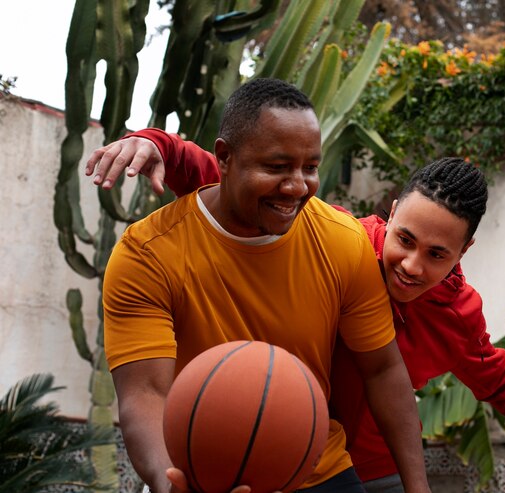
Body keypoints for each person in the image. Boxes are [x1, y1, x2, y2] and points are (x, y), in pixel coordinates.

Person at [89, 126, 505, 493]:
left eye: (436, 254)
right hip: (260, 442)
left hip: (364, 470)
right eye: (405, 239)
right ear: (389, 215)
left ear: (463, 254)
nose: (412, 265)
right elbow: (239, 183)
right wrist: (158, 145)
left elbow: (504, 380)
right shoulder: (339, 242)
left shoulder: (456, 314)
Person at [97, 78, 432, 493]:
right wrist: (173, 483)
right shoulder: (147, 252)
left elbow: (383, 370)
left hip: (320, 472)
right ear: (224, 157)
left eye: (310, 167)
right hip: (200, 473)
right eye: (276, 167)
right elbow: (146, 394)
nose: (297, 186)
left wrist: (419, 489)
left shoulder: (342, 240)